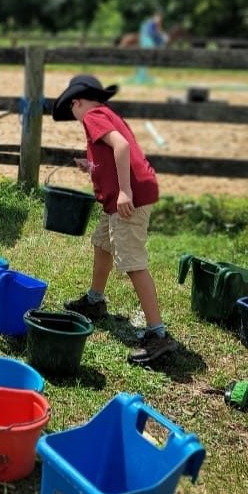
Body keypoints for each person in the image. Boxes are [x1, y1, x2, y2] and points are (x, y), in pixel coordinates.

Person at [51, 74, 177, 365]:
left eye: (72, 112)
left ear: (77, 102)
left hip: (128, 199)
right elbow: (111, 154)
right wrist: (91, 166)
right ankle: (95, 301)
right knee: (102, 244)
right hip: (120, 199)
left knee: (133, 262)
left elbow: (121, 147)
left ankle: (158, 334)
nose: (75, 118)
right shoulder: (107, 114)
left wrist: (124, 191)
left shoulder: (93, 116)